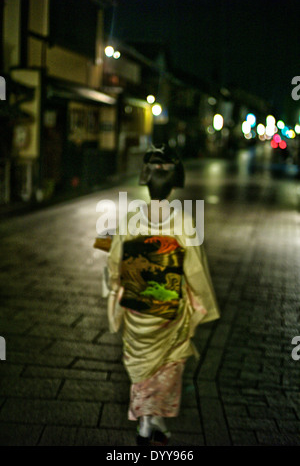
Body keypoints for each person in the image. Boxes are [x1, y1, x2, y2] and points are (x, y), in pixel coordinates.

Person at [106, 145, 220, 446]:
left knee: (141, 365)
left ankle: (149, 421)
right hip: (169, 309)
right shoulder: (183, 222)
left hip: (137, 308)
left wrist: (118, 286)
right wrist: (202, 303)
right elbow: (195, 271)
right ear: (174, 182)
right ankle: (151, 422)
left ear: (146, 180)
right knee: (168, 367)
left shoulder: (131, 219)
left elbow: (115, 262)